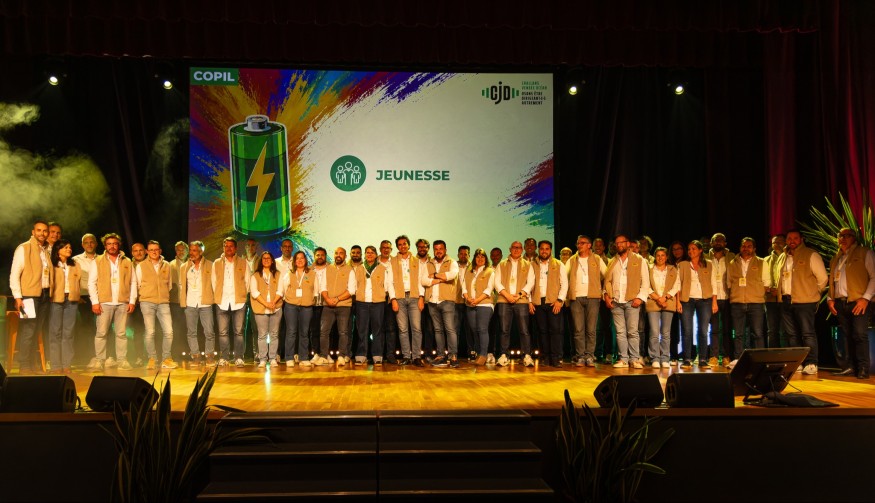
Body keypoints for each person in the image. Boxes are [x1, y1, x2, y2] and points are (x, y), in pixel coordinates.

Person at [776, 229, 828, 375]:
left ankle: (811, 363)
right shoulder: (783, 257)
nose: (792, 241)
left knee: (807, 333)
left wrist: (812, 293)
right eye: (789, 238)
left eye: (795, 238)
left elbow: (823, 279)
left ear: (801, 239)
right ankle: (797, 362)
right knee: (791, 334)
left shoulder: (811, 254)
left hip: (805, 301)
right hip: (786, 300)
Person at [827, 228, 874, 379]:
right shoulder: (836, 257)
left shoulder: (864, 253)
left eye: (847, 236)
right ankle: (850, 367)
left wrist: (865, 299)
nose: (843, 238)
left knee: (859, 334)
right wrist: (830, 299)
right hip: (840, 303)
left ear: (854, 238)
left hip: (858, 301)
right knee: (847, 335)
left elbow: (874, 277)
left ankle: (863, 369)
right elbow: (832, 281)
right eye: (840, 236)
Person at [86, 233, 137, 371]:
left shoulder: (127, 261)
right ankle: (99, 360)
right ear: (105, 246)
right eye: (109, 244)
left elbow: (133, 282)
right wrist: (95, 302)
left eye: (114, 243)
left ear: (119, 245)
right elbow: (91, 283)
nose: (112, 246)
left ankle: (122, 360)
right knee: (101, 333)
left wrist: (132, 301)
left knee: (121, 333)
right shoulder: (97, 261)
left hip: (122, 302)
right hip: (104, 303)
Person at [9, 220, 52, 374]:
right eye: (39, 230)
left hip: (44, 294)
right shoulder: (24, 248)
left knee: (37, 330)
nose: (42, 233)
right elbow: (15, 274)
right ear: (33, 232)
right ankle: (24, 365)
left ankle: (33, 364)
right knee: (29, 330)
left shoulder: (46, 250)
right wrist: (18, 297)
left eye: (45, 230)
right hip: (28, 295)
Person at [603, 234, 651, 368]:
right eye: (617, 243)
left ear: (628, 243)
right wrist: (606, 296)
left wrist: (640, 298)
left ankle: (634, 359)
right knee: (620, 332)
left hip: (632, 301)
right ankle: (623, 359)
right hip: (616, 301)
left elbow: (645, 281)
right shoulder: (612, 261)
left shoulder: (639, 259)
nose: (619, 245)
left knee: (632, 332)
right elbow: (607, 281)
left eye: (621, 242)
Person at [725, 237, 771, 368]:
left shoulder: (762, 262)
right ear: (740, 248)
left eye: (749, 246)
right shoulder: (732, 263)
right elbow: (729, 283)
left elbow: (767, 284)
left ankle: (760, 360)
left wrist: (755, 293)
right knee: (738, 334)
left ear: (754, 248)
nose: (746, 249)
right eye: (743, 246)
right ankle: (738, 359)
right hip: (737, 303)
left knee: (757, 333)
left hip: (756, 303)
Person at [676, 240, 718, 369]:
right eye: (689, 249)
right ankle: (687, 359)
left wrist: (714, 302)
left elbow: (714, 284)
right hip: (687, 300)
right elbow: (678, 284)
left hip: (705, 300)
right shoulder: (682, 264)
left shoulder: (708, 264)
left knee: (703, 330)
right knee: (687, 330)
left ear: (700, 250)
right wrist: (678, 301)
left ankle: (703, 359)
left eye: (694, 249)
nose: (690, 251)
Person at [567, 235, 606, 367]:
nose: (579, 245)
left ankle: (589, 356)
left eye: (582, 243)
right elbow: (564, 276)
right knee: (578, 329)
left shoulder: (597, 259)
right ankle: (580, 356)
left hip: (593, 297)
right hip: (576, 297)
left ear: (589, 245)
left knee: (591, 329)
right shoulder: (572, 260)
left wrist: (603, 291)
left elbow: (607, 275)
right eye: (578, 243)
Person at [136, 240, 176, 370]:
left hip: (163, 302)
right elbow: (138, 284)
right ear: (147, 252)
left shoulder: (167, 265)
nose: (154, 252)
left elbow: (169, 284)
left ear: (160, 251)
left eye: (156, 249)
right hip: (147, 301)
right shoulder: (141, 266)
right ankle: (152, 358)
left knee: (169, 331)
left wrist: (162, 295)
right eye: (151, 250)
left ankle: (166, 359)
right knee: (150, 332)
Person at [493, 241, 534, 367]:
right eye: (514, 248)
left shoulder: (527, 264)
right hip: (504, 300)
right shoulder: (502, 264)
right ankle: (504, 355)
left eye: (519, 248)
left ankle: (526, 355)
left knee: (524, 330)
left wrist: (520, 294)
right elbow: (497, 282)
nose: (516, 250)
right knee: (504, 330)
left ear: (522, 250)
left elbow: (531, 282)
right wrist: (507, 295)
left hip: (521, 300)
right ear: (510, 249)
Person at [313, 247, 356, 366]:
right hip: (328, 306)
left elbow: (351, 290)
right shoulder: (328, 269)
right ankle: (323, 356)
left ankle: (341, 356)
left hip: (344, 306)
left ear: (345, 256)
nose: (338, 255)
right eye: (336, 253)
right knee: (324, 332)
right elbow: (323, 287)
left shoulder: (350, 270)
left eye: (341, 253)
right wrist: (327, 299)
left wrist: (337, 299)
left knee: (343, 332)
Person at [213, 237, 251, 367]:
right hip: (222, 301)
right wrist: (218, 295)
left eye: (231, 246)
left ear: (235, 248)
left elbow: (247, 282)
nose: (228, 248)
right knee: (223, 332)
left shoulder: (243, 262)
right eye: (226, 246)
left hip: (238, 301)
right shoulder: (217, 263)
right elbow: (214, 282)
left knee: (238, 332)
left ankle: (239, 357)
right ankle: (224, 357)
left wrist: (242, 295)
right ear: (223, 247)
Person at [422, 240, 460, 367]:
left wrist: (434, 275)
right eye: (436, 249)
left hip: (447, 300)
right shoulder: (428, 263)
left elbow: (451, 275)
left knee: (450, 329)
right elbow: (423, 280)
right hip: (432, 301)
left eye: (441, 249)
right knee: (438, 330)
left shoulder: (452, 262)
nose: (438, 251)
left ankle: (453, 356)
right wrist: (439, 279)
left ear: (445, 250)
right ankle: (441, 356)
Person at [531, 240, 569, 367]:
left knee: (555, 331)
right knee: (542, 331)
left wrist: (560, 300)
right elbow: (528, 284)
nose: (544, 251)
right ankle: (545, 357)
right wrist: (530, 301)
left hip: (554, 302)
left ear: (550, 250)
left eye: (547, 249)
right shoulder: (532, 264)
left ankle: (556, 358)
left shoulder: (558, 264)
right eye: (542, 249)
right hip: (538, 302)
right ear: (538, 250)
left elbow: (564, 284)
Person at [353, 246, 393, 365]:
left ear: (376, 255)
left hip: (378, 303)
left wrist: (381, 295)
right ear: (365, 255)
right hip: (362, 303)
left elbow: (387, 286)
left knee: (378, 330)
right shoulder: (359, 268)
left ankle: (377, 355)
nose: (369, 254)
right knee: (362, 329)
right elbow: (355, 285)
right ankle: (361, 355)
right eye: (367, 252)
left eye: (372, 252)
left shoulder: (382, 268)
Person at [390, 235, 426, 366]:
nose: (402, 246)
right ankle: (406, 356)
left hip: (414, 297)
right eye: (400, 244)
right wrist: (393, 299)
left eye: (404, 244)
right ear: (397, 247)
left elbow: (421, 280)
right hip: (399, 298)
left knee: (416, 328)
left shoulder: (417, 261)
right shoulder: (392, 261)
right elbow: (390, 282)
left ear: (409, 245)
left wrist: (421, 297)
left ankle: (416, 357)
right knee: (403, 329)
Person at [179, 241, 215, 366]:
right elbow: (182, 285)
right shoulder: (184, 267)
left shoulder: (210, 265)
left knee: (209, 332)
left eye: (194, 250)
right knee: (191, 332)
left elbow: (215, 283)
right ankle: (196, 357)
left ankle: (209, 356)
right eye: (190, 250)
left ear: (201, 251)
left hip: (205, 303)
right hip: (190, 303)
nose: (191, 253)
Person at [48, 239, 81, 373]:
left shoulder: (75, 264)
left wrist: (77, 295)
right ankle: (56, 365)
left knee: (68, 333)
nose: (69, 249)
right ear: (58, 249)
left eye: (70, 247)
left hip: (71, 301)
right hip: (56, 300)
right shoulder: (52, 264)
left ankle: (67, 364)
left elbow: (79, 281)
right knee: (55, 332)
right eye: (66, 247)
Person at [281, 250, 316, 368]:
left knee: (304, 332)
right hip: (291, 306)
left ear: (305, 260)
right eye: (297, 258)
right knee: (291, 332)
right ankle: (289, 357)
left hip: (307, 306)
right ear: (294, 261)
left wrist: (310, 299)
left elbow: (316, 290)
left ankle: (304, 357)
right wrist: (289, 298)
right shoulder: (289, 274)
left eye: (302, 258)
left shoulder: (312, 273)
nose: (300, 260)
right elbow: (284, 289)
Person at [645, 247, 679, 368]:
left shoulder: (673, 269)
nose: (660, 258)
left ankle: (665, 358)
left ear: (666, 257)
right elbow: (646, 285)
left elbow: (677, 286)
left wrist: (665, 297)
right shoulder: (649, 268)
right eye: (658, 255)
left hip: (668, 302)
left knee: (665, 332)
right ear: (655, 256)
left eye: (663, 255)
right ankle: (655, 357)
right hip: (653, 301)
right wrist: (658, 298)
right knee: (654, 331)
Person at [461, 248, 495, 365]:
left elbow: (489, 289)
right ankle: (479, 353)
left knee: (482, 329)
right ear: (474, 258)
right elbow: (464, 287)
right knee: (474, 330)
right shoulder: (469, 271)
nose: (480, 259)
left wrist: (477, 300)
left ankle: (483, 355)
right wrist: (467, 298)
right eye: (478, 256)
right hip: (470, 304)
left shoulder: (490, 271)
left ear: (486, 259)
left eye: (482, 257)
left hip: (485, 304)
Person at [250, 251, 283, 368]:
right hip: (261, 308)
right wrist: (266, 304)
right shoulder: (255, 275)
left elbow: (280, 290)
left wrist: (273, 302)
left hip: (276, 308)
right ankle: (263, 359)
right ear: (261, 261)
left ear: (272, 261)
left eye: (268, 258)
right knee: (262, 335)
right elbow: (254, 292)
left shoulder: (278, 274)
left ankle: (273, 358)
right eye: (264, 258)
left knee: (274, 334)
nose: (266, 260)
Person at [707, 233, 735, 367]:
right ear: (711, 243)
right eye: (715, 240)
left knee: (727, 329)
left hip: (727, 297)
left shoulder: (732, 257)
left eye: (721, 240)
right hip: (712, 298)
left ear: (725, 243)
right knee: (714, 329)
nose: (718, 242)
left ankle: (726, 356)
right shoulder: (706, 258)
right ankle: (713, 356)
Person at [763, 234, 786, 347]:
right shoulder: (766, 260)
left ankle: (786, 355)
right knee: (772, 330)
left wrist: (780, 290)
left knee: (785, 330)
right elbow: (762, 279)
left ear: (785, 243)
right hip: (770, 299)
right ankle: (772, 354)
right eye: (774, 242)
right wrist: (768, 289)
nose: (777, 244)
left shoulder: (788, 258)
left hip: (785, 299)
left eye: (780, 242)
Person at [379, 240, 399, 364]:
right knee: (378, 328)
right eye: (384, 247)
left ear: (391, 250)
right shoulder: (374, 262)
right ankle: (378, 354)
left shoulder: (395, 262)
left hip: (391, 298)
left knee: (391, 328)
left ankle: (390, 354)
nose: (386, 250)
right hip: (377, 298)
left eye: (388, 248)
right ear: (380, 249)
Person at [455, 245, 472, 360]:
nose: (463, 256)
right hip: (456, 301)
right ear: (458, 255)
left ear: (469, 255)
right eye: (461, 254)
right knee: (455, 329)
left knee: (470, 329)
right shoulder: (453, 266)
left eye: (465, 254)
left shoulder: (473, 267)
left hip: (470, 301)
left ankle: (471, 352)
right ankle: (454, 353)